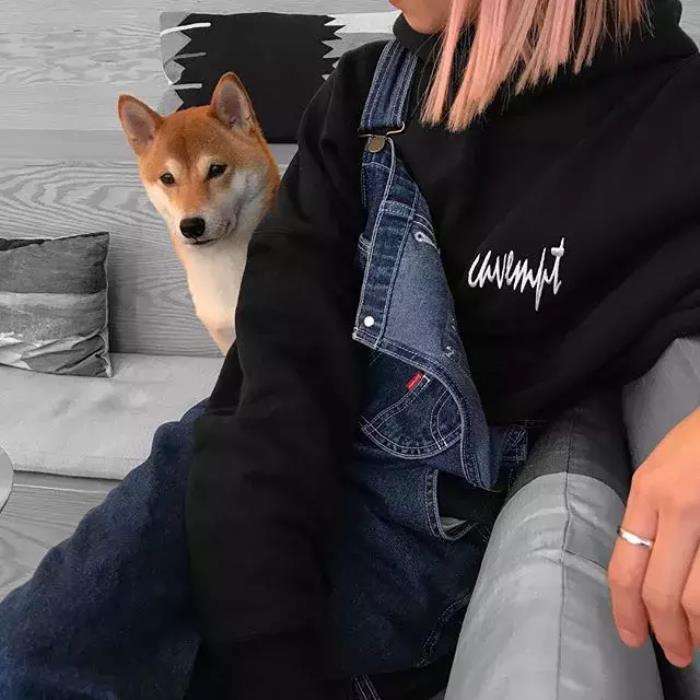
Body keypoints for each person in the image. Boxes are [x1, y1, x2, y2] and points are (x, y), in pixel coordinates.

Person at [1, 1, 699, 698]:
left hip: (391, 567)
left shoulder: (673, 121)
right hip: (228, 494)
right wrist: (265, 652)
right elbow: (275, 380)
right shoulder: (364, 98)